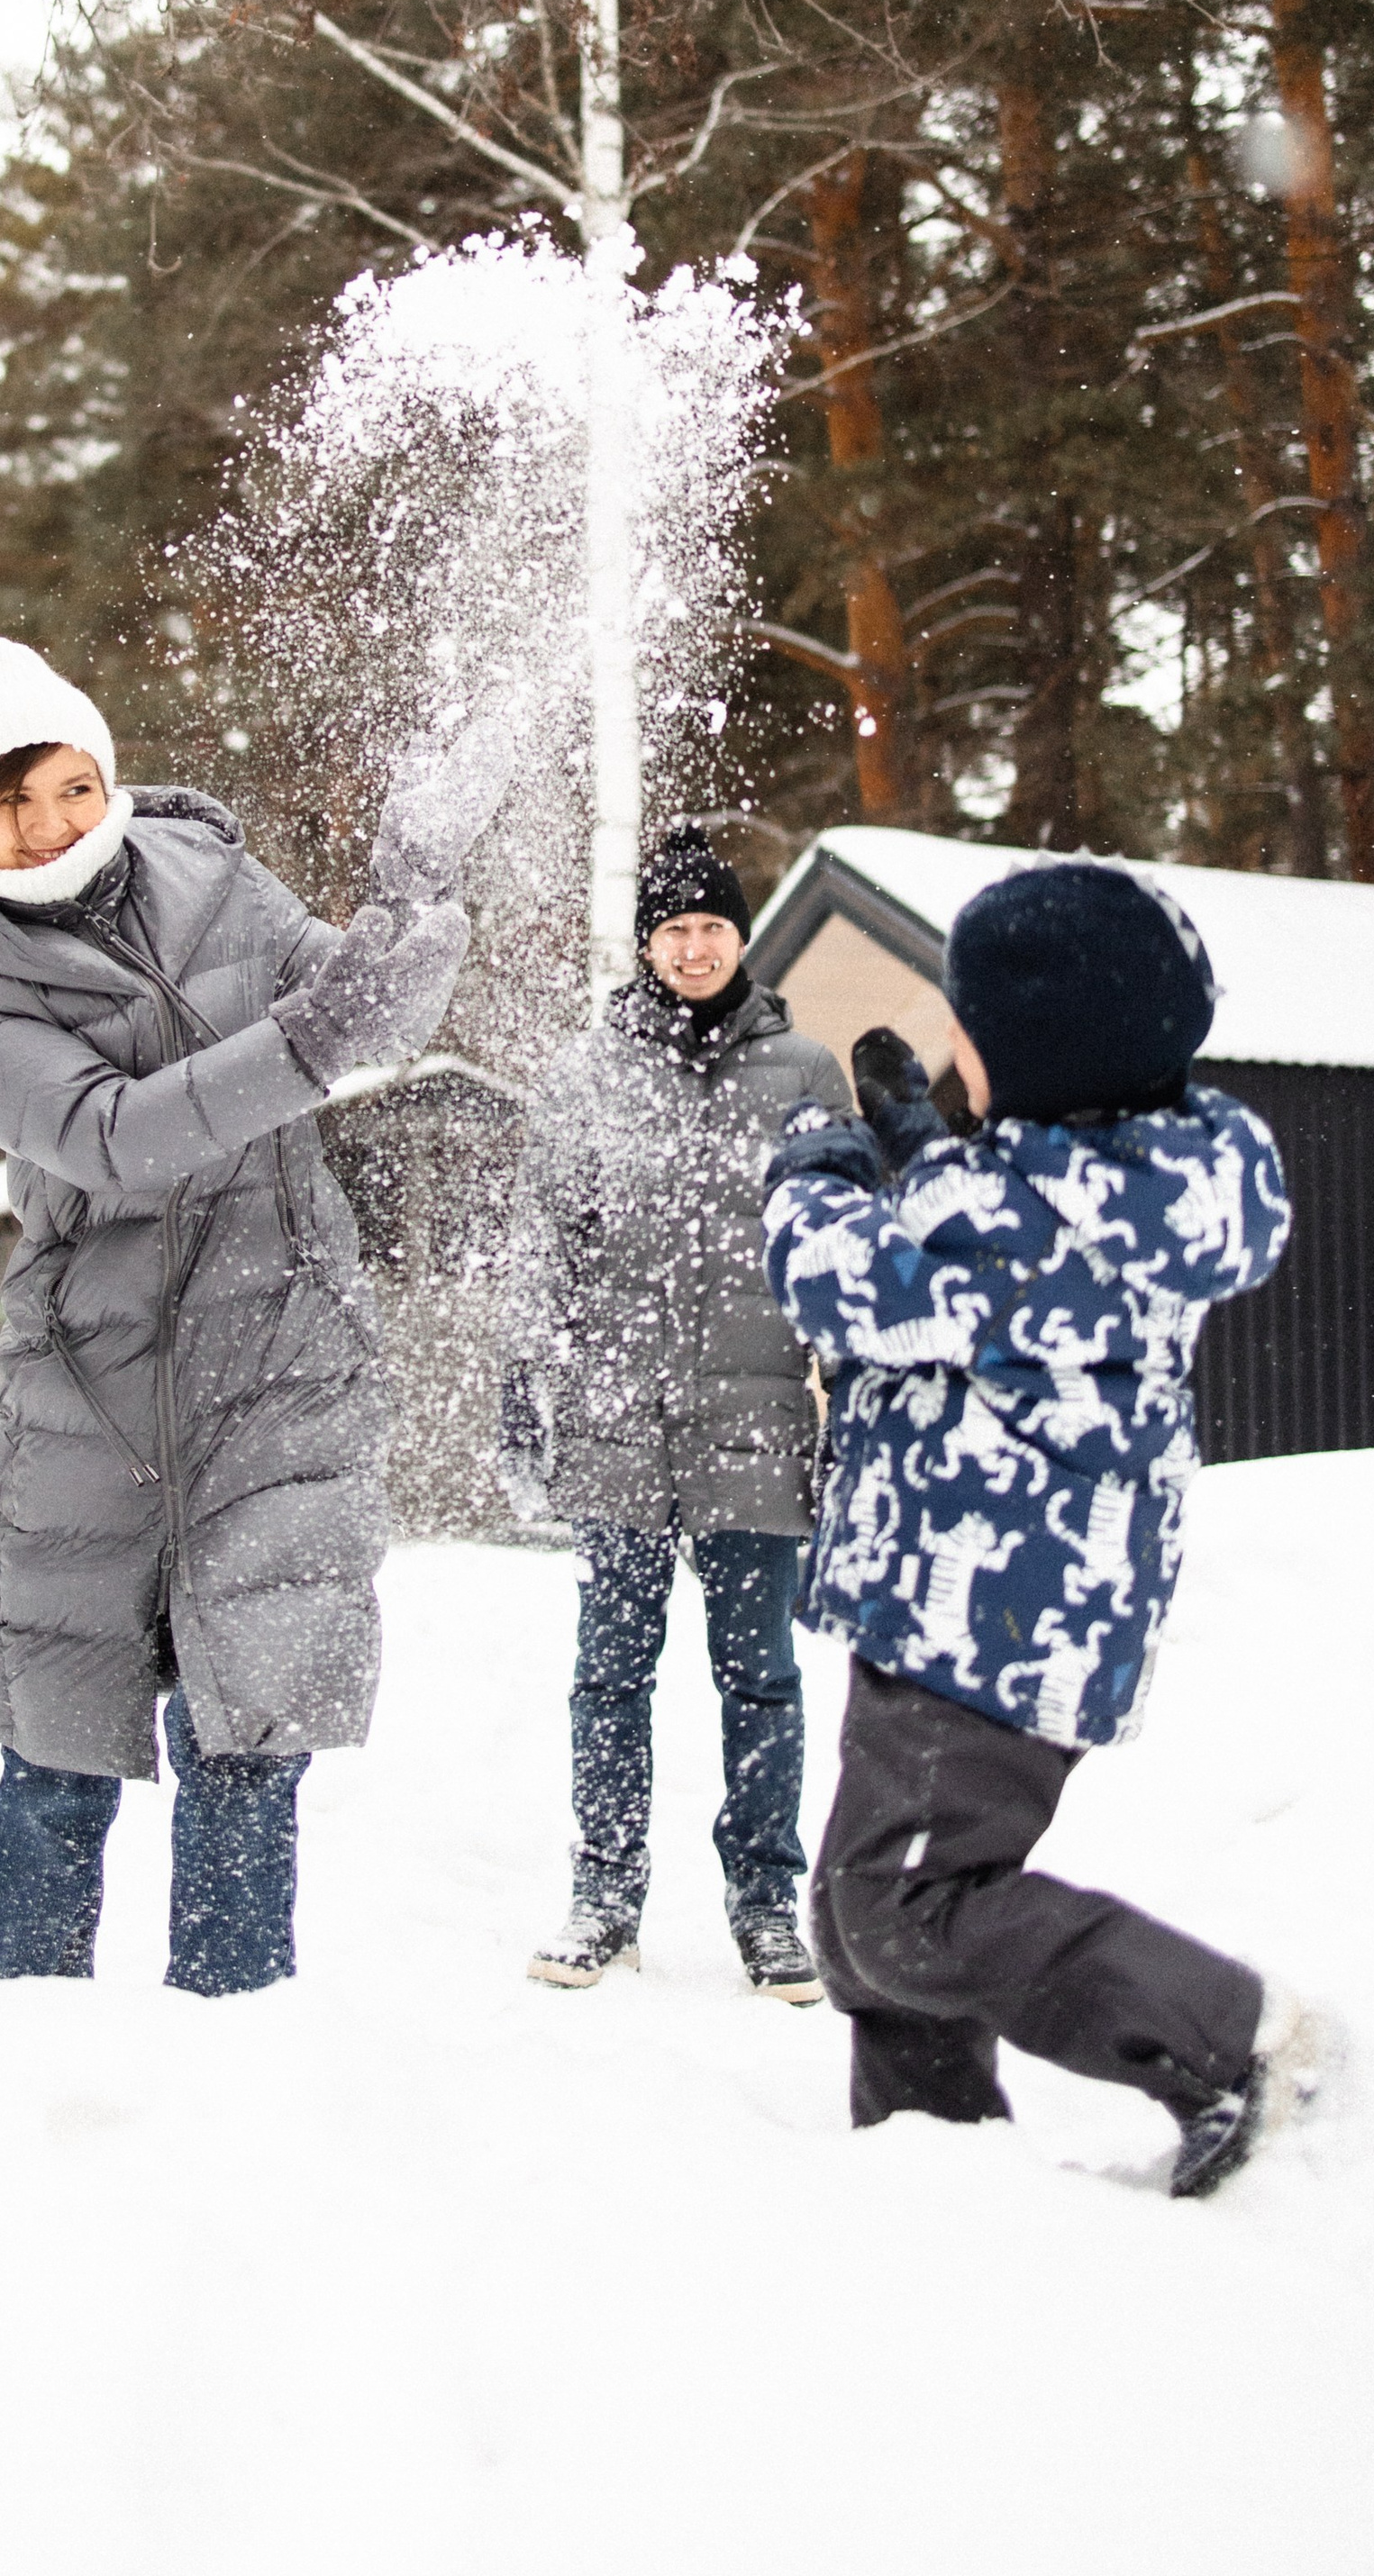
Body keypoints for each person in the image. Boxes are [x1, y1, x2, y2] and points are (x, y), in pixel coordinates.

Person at [0, 638, 508, 1997]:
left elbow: (366, 1009)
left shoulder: (209, 870)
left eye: (72, 785)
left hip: (279, 1365)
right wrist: (308, 1040)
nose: (50, 823)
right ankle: (12, 2057)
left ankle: (234, 2059)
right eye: (13, 802)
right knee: (60, 1756)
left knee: (250, 1742)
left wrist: (412, 888)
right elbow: (112, 1136)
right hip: (95, 1394)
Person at [762, 855, 1328, 2196]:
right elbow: (997, 1247)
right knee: (869, 1917)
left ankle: (1227, 2036)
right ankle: (934, 2165)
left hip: (980, 1615)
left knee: (901, 1911)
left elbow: (839, 1275)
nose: (950, 1041)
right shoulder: (1129, 1184)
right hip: (1004, 1601)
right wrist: (929, 1149)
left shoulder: (1004, 1222)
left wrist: (819, 1165)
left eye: (965, 1022)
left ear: (1025, 1053)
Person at [498, 821, 852, 2001]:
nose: (694, 947)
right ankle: (605, 1896)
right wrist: (525, 1387)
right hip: (617, 1422)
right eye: (673, 929)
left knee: (761, 1678)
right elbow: (544, 1247)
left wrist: (852, 1401)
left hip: (756, 1424)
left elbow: (837, 1252)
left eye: (711, 927)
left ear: (740, 938)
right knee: (610, 1673)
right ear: (645, 944)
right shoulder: (586, 1076)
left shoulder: (806, 1074)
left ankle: (766, 1909)